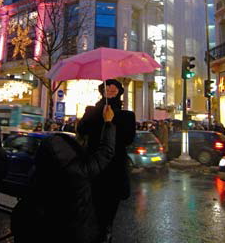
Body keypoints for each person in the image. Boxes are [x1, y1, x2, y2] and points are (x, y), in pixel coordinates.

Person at [11, 104, 116, 243]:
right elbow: (106, 152)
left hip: (49, 232)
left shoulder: (39, 171)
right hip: (76, 234)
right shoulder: (79, 170)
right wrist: (108, 123)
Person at [77, 79, 136, 243]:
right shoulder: (91, 110)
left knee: (109, 208)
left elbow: (128, 139)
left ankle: (106, 232)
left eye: (114, 87)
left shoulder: (127, 116)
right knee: (91, 206)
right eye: (107, 86)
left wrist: (111, 120)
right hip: (93, 166)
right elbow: (82, 130)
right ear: (101, 91)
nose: (110, 89)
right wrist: (97, 115)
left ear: (119, 91)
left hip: (114, 169)